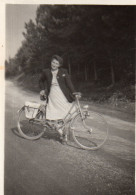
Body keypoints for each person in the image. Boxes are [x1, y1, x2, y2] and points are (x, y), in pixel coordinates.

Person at [39, 55, 77, 143]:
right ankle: (62, 134)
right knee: (56, 113)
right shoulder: (46, 71)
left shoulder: (63, 71)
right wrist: (42, 89)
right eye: (53, 62)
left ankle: (62, 131)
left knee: (69, 112)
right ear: (51, 62)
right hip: (52, 95)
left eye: (56, 63)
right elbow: (40, 81)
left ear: (59, 65)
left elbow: (69, 83)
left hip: (63, 94)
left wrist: (74, 92)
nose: (54, 64)